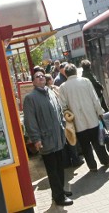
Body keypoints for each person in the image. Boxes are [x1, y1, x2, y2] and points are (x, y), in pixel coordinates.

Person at [23, 67, 74, 206]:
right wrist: (36, 139)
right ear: (33, 82)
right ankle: (59, 197)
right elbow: (30, 121)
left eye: (42, 76)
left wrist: (63, 127)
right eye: (37, 76)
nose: (41, 78)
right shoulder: (30, 98)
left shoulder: (51, 92)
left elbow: (58, 111)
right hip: (46, 140)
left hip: (58, 137)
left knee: (60, 167)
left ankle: (61, 190)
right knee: (52, 170)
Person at [59, 63, 109, 172]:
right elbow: (94, 98)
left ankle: (92, 166)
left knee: (85, 147)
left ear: (66, 74)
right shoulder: (85, 81)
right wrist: (100, 112)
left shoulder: (63, 87)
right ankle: (105, 161)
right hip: (92, 119)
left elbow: (64, 107)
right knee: (98, 142)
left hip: (78, 124)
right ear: (76, 72)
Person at [46, 73, 84, 168]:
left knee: (63, 142)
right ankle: (76, 160)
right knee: (71, 139)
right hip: (64, 117)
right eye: (51, 78)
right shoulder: (55, 89)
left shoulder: (45, 91)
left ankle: (66, 162)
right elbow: (63, 101)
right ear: (50, 80)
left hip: (55, 121)